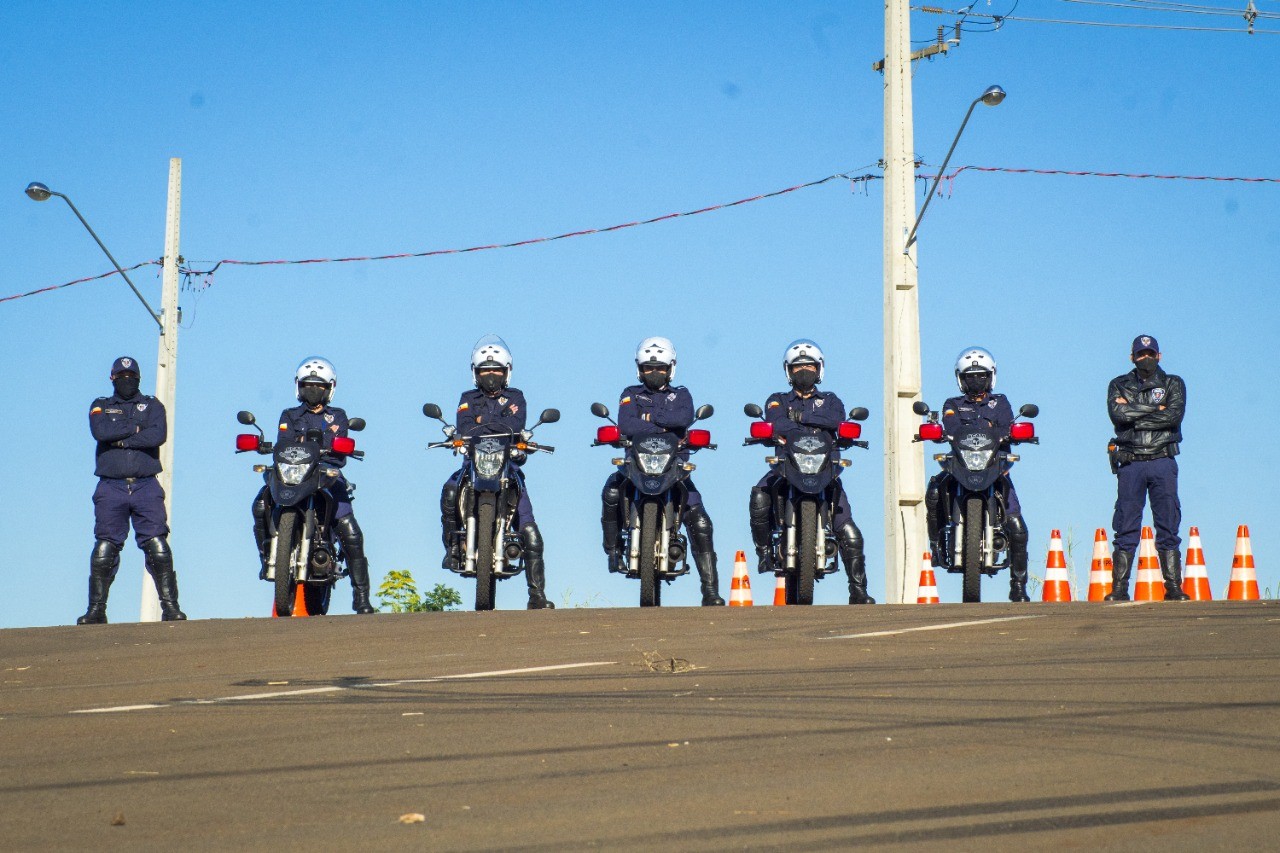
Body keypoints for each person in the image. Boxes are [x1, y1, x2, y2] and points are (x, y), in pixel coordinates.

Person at [748, 339, 874, 604]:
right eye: (797, 367)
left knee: (849, 529)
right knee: (759, 496)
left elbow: (837, 421)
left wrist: (801, 419)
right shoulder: (777, 400)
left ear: (819, 369)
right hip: (785, 467)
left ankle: (858, 590)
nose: (803, 370)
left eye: (809, 366)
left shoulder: (831, 400)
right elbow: (775, 423)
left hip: (825, 470)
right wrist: (810, 425)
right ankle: (763, 552)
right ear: (788, 371)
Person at [600, 337, 724, 606]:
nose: (654, 372)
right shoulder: (630, 393)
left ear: (670, 369)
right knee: (611, 492)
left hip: (675, 468)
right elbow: (626, 424)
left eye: (660, 368)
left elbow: (683, 418)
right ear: (639, 369)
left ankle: (710, 590)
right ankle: (613, 551)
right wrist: (666, 426)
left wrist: (648, 419)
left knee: (700, 520)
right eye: (648, 368)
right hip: (635, 466)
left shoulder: (682, 395)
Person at [251, 357, 376, 614]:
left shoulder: (337, 416)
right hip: (291, 473)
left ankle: (361, 596)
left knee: (349, 527)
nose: (313, 389)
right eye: (308, 385)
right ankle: (267, 556)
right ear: (298, 386)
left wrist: (338, 448)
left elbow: (340, 451)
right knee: (260, 504)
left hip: (326, 474)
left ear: (330, 388)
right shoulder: (289, 415)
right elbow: (283, 442)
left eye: (319, 386)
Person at [440, 335, 554, 609]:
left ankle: (537, 595)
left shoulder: (516, 397)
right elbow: (465, 428)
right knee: (450, 491)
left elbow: (516, 424)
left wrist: (483, 422)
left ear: (507, 372)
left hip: (507, 467)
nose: (490, 375)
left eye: (496, 370)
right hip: (472, 465)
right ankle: (452, 548)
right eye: (485, 370)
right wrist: (498, 421)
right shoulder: (467, 398)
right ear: (475, 373)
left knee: (529, 527)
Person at [81, 356, 185, 623]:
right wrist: (136, 428)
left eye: (131, 376)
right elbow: (100, 432)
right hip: (110, 486)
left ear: (138, 378)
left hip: (146, 485)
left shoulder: (153, 405)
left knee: (157, 545)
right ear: (112, 378)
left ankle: (170, 607)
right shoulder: (100, 405)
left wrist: (121, 440)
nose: (126, 380)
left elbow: (157, 435)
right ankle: (96, 610)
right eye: (121, 376)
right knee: (105, 547)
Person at [925, 347, 1031, 602]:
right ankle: (936, 545)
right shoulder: (952, 404)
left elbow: (1006, 425)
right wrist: (937, 431)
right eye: (970, 376)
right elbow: (951, 426)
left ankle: (1018, 585)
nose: (976, 380)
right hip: (960, 466)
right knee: (934, 492)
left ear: (991, 376)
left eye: (981, 375)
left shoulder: (1000, 402)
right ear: (960, 379)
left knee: (1017, 525)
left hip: (995, 468)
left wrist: (1013, 432)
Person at [1105, 335, 1189, 601]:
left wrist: (1134, 415)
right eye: (1141, 354)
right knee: (1125, 525)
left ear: (1159, 356)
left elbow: (1173, 416)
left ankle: (1173, 587)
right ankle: (1119, 589)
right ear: (1132, 357)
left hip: (1162, 461)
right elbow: (1118, 416)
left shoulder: (1173, 383)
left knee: (1168, 524)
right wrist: (1155, 408)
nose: (1146, 358)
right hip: (1131, 463)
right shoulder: (1118, 384)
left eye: (1150, 354)